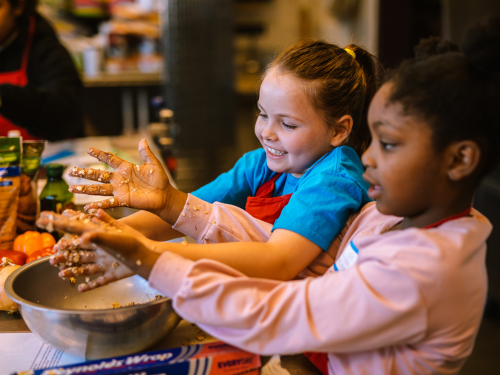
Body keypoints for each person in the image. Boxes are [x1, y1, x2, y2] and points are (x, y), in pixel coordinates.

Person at [38, 16, 500, 374]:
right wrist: (158, 212)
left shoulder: (418, 267)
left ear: (459, 160)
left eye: (389, 144)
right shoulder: (391, 218)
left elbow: (279, 307)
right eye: (374, 140)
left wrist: (150, 257)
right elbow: (258, 236)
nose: (369, 158)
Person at [64, 40, 382, 283]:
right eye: (262, 114)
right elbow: (186, 208)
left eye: (287, 124)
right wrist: (106, 235)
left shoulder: (335, 178)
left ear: (339, 130)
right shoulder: (260, 164)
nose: (267, 132)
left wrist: (146, 254)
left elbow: (279, 260)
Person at [0, 0, 84, 140]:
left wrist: (4, 97)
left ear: (19, 6)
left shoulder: (45, 48)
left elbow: (65, 115)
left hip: (46, 157)